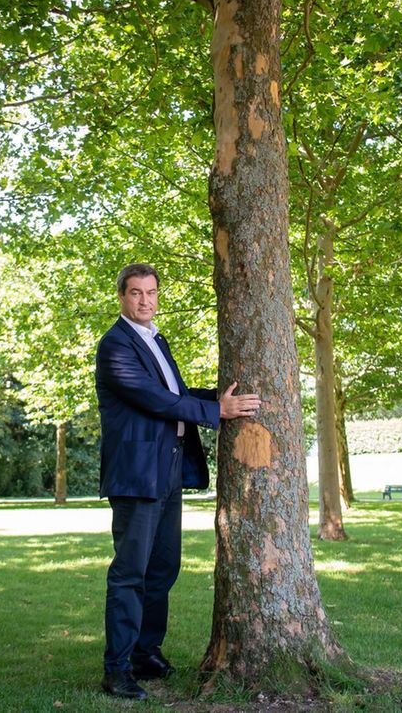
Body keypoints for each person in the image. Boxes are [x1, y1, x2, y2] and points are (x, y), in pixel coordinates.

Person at [95, 263, 261, 700]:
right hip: (136, 476)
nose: (144, 301)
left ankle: (146, 653)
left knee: (163, 568)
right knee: (130, 573)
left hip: (167, 471)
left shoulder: (156, 341)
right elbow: (153, 400)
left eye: (151, 293)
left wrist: (219, 400)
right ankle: (117, 669)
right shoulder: (115, 345)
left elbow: (177, 394)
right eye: (135, 293)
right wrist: (216, 414)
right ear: (122, 297)